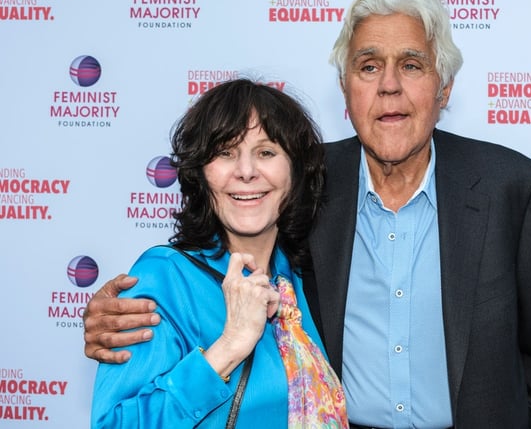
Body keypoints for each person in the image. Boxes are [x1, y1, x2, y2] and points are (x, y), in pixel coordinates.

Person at [85, 0, 531, 428]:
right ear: (345, 87)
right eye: (367, 66)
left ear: (443, 87)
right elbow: (196, 272)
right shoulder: (310, 182)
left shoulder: (512, 185)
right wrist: (114, 314)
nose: (388, 85)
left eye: (410, 64)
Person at [89, 79, 347, 428]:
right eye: (225, 153)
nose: (245, 171)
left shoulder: (303, 281)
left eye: (266, 152)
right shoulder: (164, 278)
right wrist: (228, 348)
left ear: (295, 173)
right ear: (201, 173)